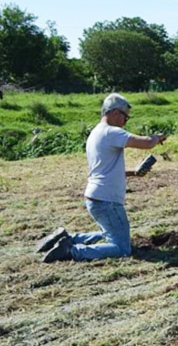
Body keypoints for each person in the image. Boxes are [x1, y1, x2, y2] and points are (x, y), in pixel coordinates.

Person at [36, 93, 168, 263]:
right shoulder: (111, 132)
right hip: (107, 200)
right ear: (115, 113)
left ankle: (69, 238)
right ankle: (73, 250)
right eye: (125, 117)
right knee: (121, 247)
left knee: (110, 233)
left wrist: (133, 173)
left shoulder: (95, 133)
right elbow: (146, 143)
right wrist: (157, 138)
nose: (126, 121)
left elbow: (104, 169)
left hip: (95, 197)